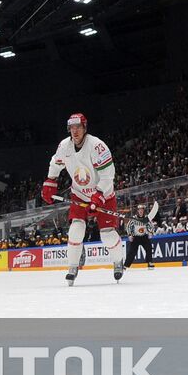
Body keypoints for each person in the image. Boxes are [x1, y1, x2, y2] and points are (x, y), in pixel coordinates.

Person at [41, 112, 122, 285]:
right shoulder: (64, 146)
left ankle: (118, 261)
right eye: (72, 127)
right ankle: (72, 266)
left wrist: (98, 195)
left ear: (85, 128)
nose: (75, 131)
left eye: (78, 127)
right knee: (76, 230)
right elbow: (55, 163)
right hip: (79, 194)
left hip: (104, 195)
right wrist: (50, 181)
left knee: (107, 235)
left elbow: (108, 175)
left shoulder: (97, 146)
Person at [124, 201, 157, 269]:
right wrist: (130, 235)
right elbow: (128, 226)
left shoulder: (147, 218)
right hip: (136, 237)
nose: (141, 211)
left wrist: (150, 232)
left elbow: (151, 226)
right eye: (139, 210)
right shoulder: (134, 218)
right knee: (132, 252)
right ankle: (126, 265)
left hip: (144, 236)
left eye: (142, 209)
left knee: (149, 248)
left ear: (143, 210)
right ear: (138, 211)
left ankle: (150, 262)